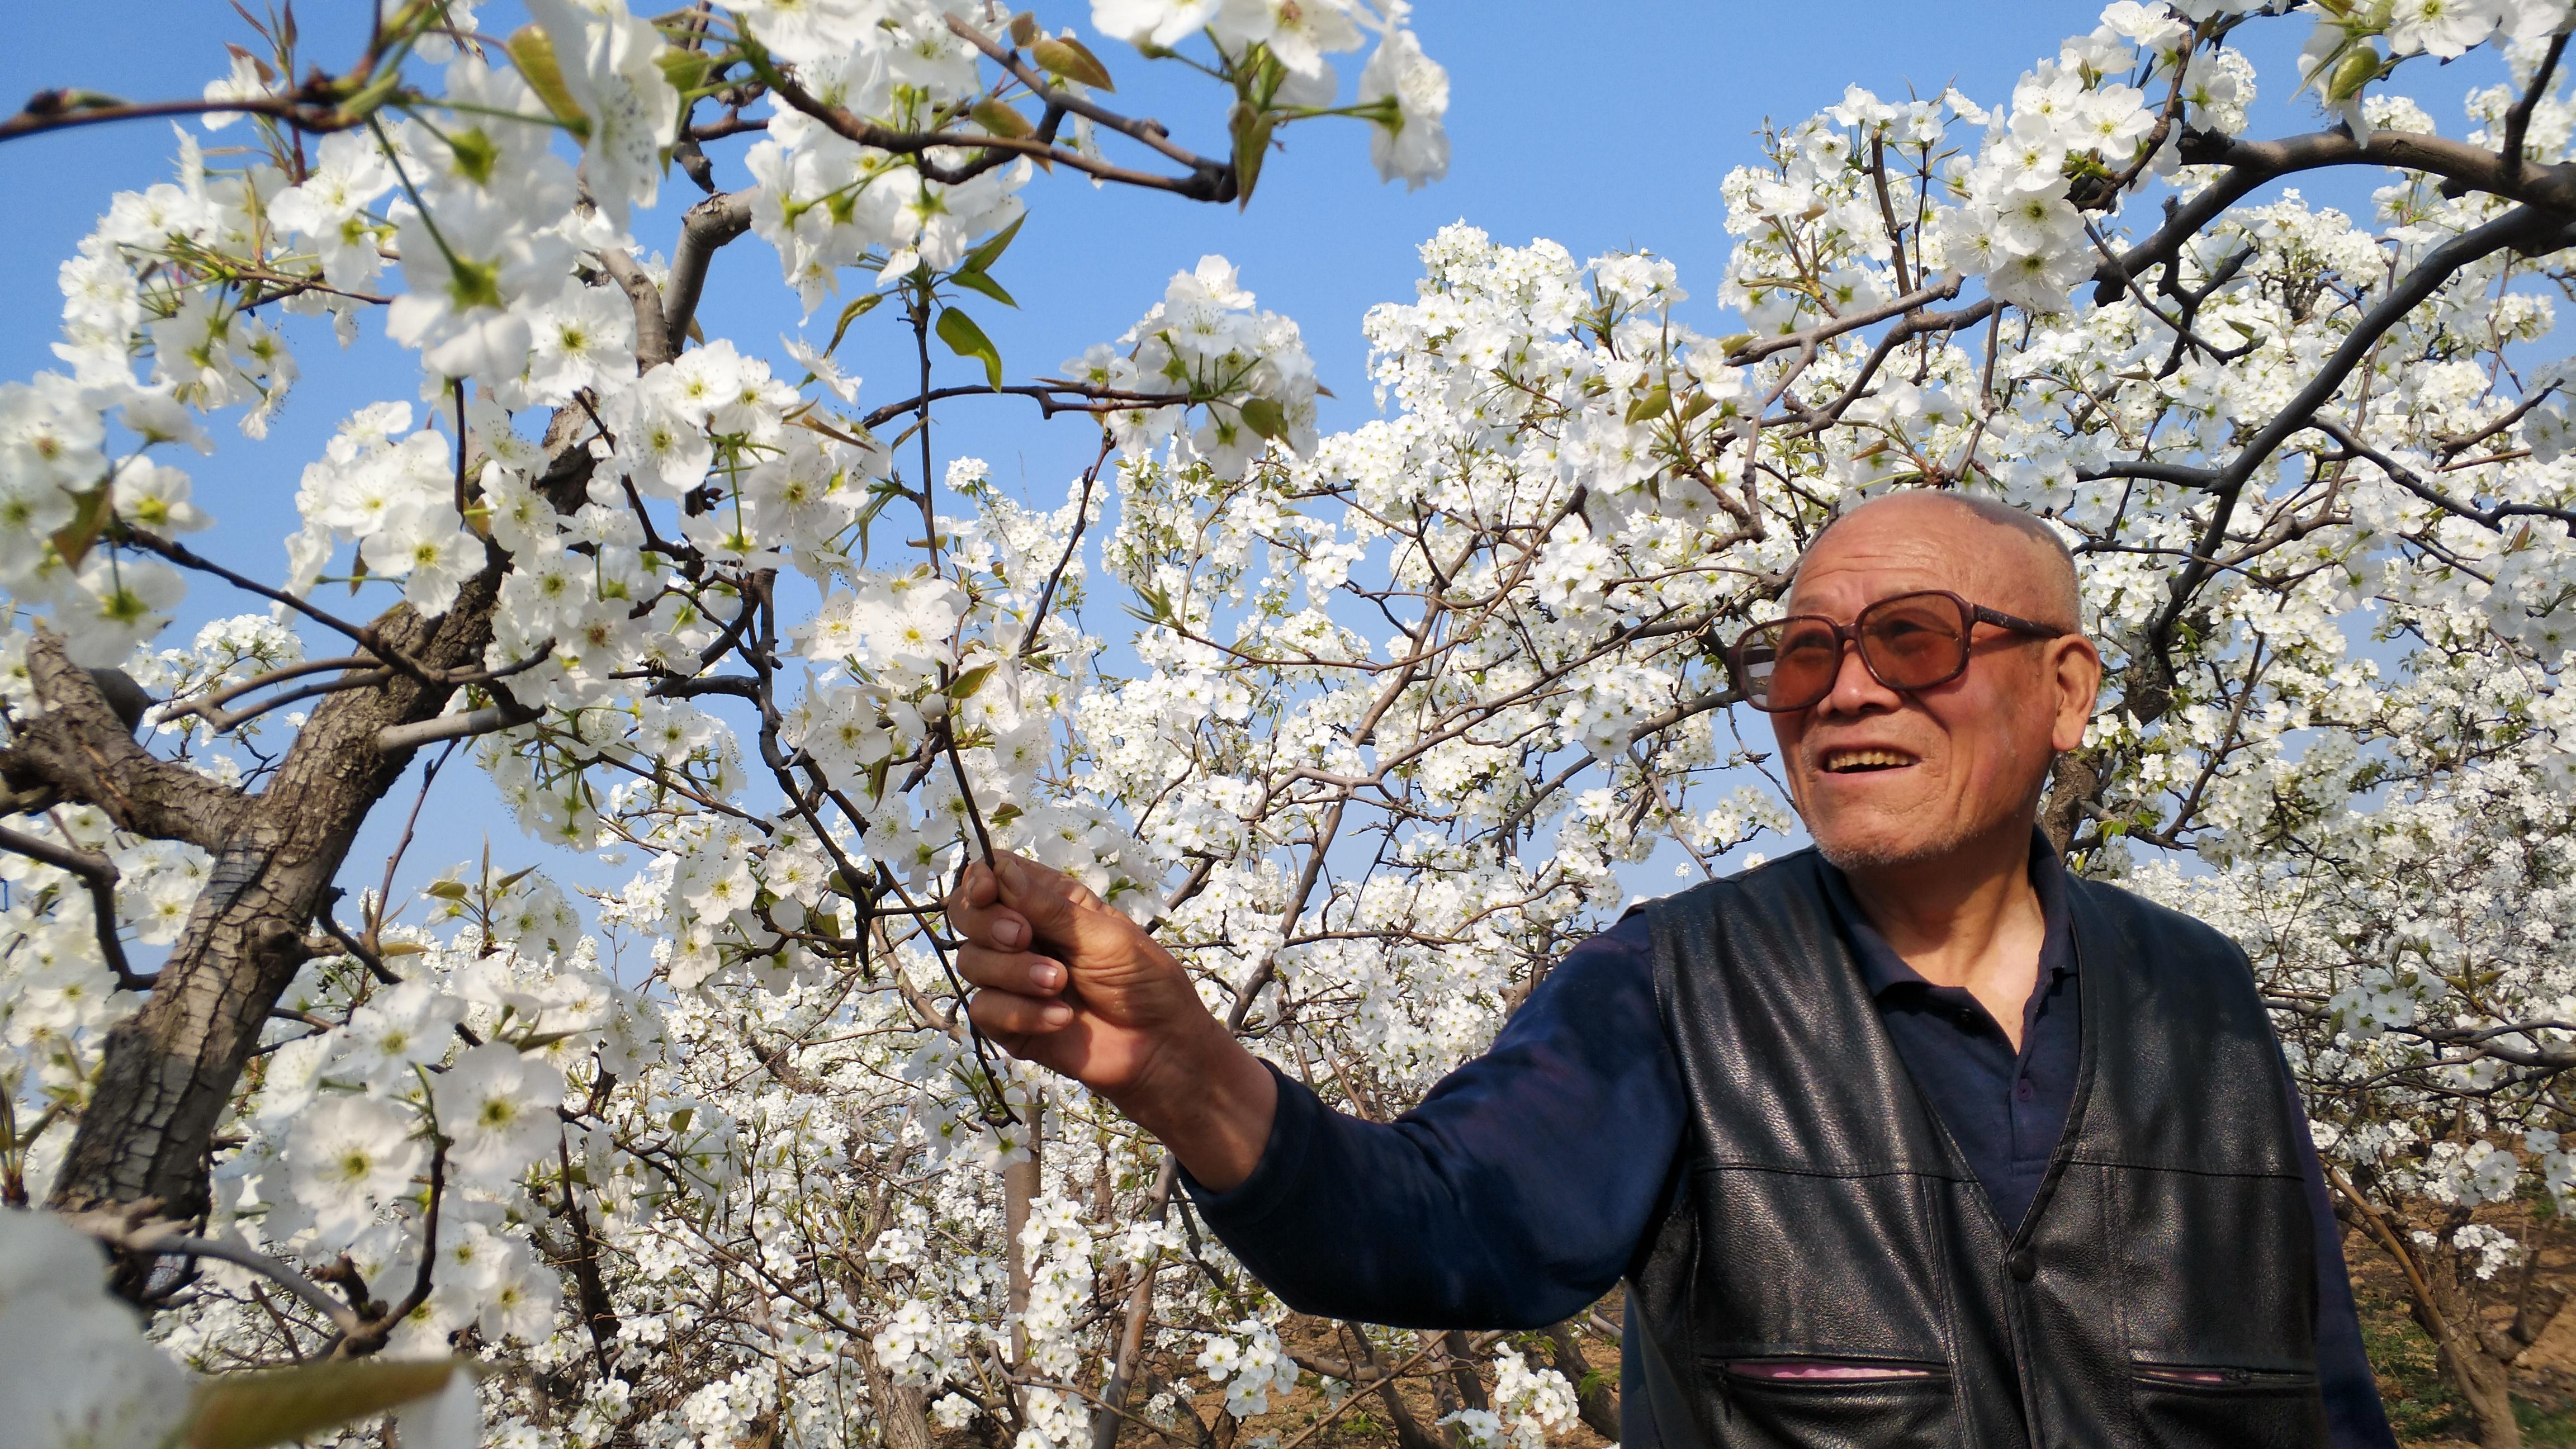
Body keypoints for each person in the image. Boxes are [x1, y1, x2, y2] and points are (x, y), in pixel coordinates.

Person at [945, 492, 2398, 1449]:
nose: (1842, 690)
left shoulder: (2203, 1004)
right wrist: (1189, 1073)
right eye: (1799, 655)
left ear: (2066, 689)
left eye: (1911, 639)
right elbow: (1456, 1222)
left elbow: (2326, 1399)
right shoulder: (1673, 990)